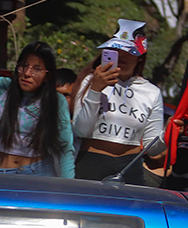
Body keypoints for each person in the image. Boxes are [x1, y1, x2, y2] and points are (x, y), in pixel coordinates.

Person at [70, 20, 165, 185]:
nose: (121, 55)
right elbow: (81, 130)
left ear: (140, 58)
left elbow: (153, 148)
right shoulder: (90, 81)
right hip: (91, 163)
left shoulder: (152, 92)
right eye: (116, 49)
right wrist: (96, 90)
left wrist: (169, 134)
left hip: (129, 168)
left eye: (129, 51)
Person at [0, 41, 74, 177]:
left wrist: (69, 188)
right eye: (24, 66)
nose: (27, 73)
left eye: (37, 69)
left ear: (47, 76)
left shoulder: (56, 100)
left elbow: (65, 148)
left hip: (38, 174)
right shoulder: (1, 87)